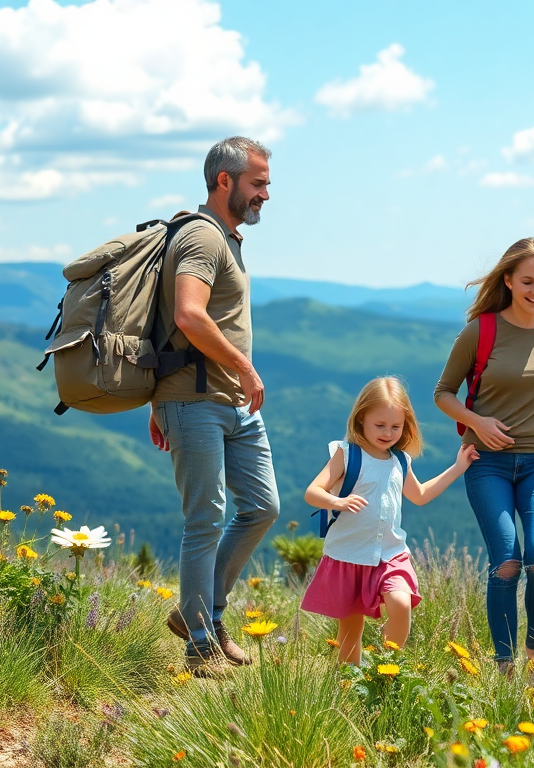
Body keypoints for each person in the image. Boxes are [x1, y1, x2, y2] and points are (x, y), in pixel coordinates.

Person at [148, 136, 278, 677]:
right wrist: (245, 367)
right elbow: (188, 314)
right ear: (225, 181)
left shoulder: (226, 238)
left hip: (230, 403)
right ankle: (201, 643)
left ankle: (198, 613)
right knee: (204, 520)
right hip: (197, 401)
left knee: (263, 507)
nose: (266, 194)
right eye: (257, 183)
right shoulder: (202, 236)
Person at [434, 237, 534, 679]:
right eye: (527, 281)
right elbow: (443, 393)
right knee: (506, 561)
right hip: (487, 462)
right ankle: (504, 667)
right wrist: (476, 422)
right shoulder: (480, 330)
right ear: (507, 280)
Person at [302, 377, 479, 664]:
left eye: (396, 427)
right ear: (361, 419)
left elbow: (420, 495)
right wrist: (337, 502)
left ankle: (386, 667)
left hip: (391, 553)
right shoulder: (346, 455)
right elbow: (313, 492)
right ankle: (349, 681)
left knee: (400, 603)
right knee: (350, 631)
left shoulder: (400, 461)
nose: (388, 433)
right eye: (380, 425)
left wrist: (458, 467)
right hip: (349, 554)